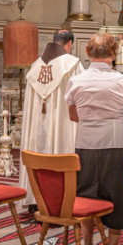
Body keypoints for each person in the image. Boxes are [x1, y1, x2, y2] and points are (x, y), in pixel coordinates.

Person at [65, 33, 123, 245]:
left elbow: (73, 115)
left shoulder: (76, 81)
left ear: (88, 53)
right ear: (114, 54)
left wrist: (92, 120)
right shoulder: (122, 80)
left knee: (86, 195)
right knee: (117, 196)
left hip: (85, 143)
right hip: (117, 143)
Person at [18, 29, 84, 209]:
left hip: (37, 122)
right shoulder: (72, 64)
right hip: (62, 122)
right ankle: (59, 199)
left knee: (37, 150)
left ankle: (35, 199)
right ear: (69, 44)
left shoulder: (35, 65)